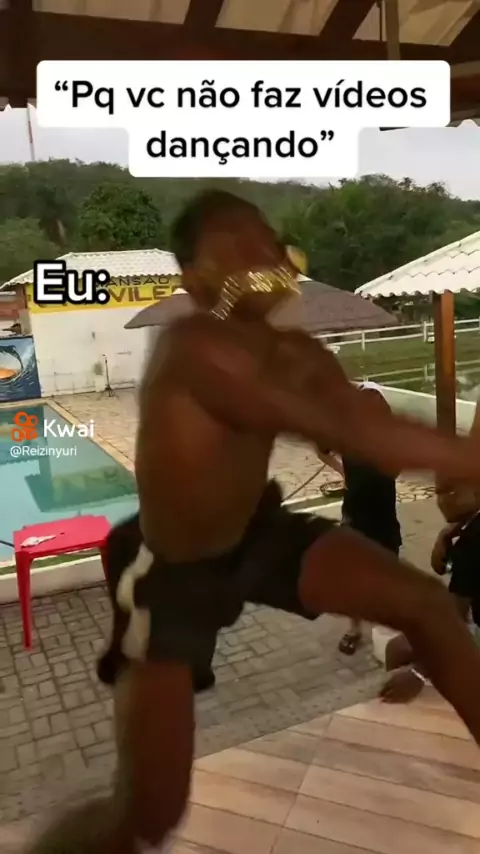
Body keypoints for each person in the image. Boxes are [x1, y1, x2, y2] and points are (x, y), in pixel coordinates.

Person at [26, 191, 480, 854]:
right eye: (238, 247)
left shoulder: (299, 353)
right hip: (172, 569)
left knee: (429, 607)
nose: (264, 257)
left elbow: (362, 427)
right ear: (194, 280)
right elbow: (361, 434)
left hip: (258, 533)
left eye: (267, 241)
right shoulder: (195, 346)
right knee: (150, 814)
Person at [336, 382, 402, 655]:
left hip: (383, 516)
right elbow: (322, 448)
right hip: (355, 514)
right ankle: (354, 627)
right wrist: (342, 471)